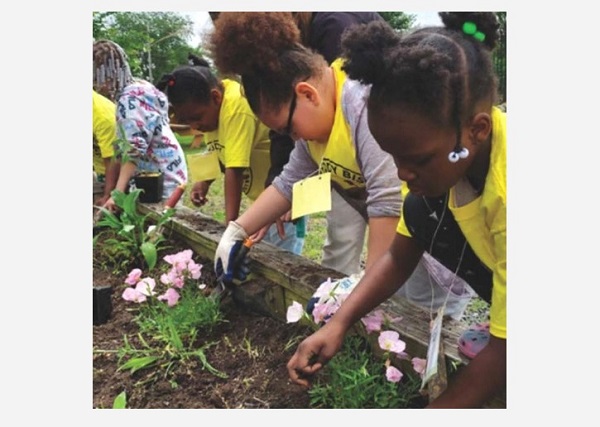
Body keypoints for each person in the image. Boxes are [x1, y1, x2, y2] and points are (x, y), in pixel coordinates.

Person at [287, 13, 506, 408]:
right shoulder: (444, 166)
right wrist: (338, 324)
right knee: (421, 211)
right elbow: (399, 255)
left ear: (477, 130)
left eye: (417, 160)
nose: (403, 173)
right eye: (393, 157)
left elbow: (508, 354)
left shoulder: (509, 198)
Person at [210, 12, 473, 318]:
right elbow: (287, 183)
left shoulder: (363, 103)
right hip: (405, 242)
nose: (292, 138)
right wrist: (237, 231)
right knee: (396, 312)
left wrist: (365, 283)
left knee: (425, 322)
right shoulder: (317, 128)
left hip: (441, 236)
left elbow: (387, 200)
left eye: (288, 128)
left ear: (306, 94)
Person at [155, 54, 303, 254]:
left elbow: (235, 169)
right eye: (188, 121)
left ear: (215, 97)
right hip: (263, 196)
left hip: (286, 196)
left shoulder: (235, 107)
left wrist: (229, 231)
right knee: (261, 246)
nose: (195, 126)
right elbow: (219, 148)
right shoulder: (212, 113)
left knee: (283, 251)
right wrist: (205, 181)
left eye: (196, 118)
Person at [93, 39, 188, 212]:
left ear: (106, 75)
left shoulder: (129, 101)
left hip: (160, 179)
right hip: (159, 172)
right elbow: (120, 148)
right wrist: (111, 192)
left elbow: (133, 150)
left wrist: (117, 194)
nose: (95, 85)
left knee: (159, 229)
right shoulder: (139, 88)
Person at [92, 89, 118, 207]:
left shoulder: (102, 117)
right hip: (100, 168)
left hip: (118, 170)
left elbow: (112, 160)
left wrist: (107, 195)